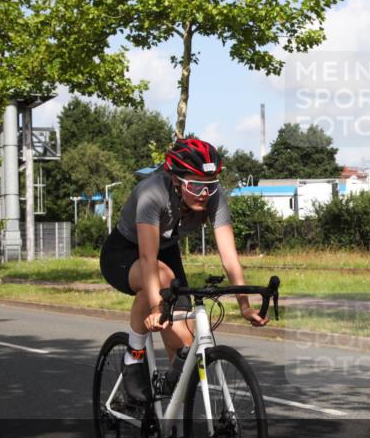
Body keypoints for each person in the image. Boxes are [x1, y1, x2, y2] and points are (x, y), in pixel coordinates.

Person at [99, 135, 268, 402]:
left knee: (187, 342)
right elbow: (147, 256)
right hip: (124, 252)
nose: (204, 194)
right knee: (160, 282)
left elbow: (230, 256)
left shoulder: (213, 197)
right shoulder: (151, 193)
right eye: (195, 186)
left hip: (166, 252)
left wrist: (244, 306)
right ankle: (133, 359)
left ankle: (171, 416)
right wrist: (156, 307)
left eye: (210, 186)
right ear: (176, 180)